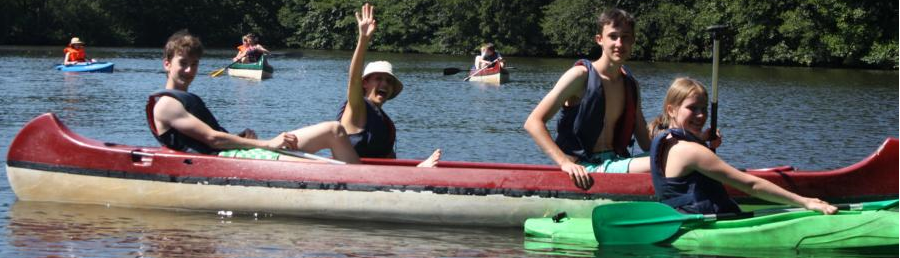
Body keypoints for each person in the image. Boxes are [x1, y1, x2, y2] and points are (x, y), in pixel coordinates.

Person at [148, 30, 360, 163]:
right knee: (332, 132)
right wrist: (268, 144)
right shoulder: (166, 105)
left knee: (334, 130)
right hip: (225, 163)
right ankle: (362, 188)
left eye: (194, 64)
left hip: (234, 155)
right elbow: (212, 140)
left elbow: (212, 138)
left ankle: (360, 182)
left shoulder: (185, 99)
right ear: (167, 64)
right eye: (183, 63)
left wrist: (241, 137)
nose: (189, 70)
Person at [648, 77, 837, 215]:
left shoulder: (666, 140)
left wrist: (701, 139)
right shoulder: (691, 151)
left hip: (681, 217)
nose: (701, 116)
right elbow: (752, 185)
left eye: (704, 109)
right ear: (671, 110)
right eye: (692, 108)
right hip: (707, 223)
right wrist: (804, 202)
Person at [524, 8, 650, 189]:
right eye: (613, 36)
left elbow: (646, 143)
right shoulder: (579, 76)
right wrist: (564, 163)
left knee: (674, 157)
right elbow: (533, 122)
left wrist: (680, 137)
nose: (619, 43)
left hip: (617, 162)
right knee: (665, 162)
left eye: (626, 37)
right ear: (600, 39)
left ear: (633, 41)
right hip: (585, 168)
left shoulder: (631, 85)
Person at [338, 3, 441, 167]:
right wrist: (363, 39)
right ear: (365, 83)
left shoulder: (385, 125)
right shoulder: (356, 106)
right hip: (347, 176)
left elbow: (391, 164)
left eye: (389, 81)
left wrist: (415, 169)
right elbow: (354, 78)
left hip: (372, 179)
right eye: (378, 78)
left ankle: (418, 169)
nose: (384, 84)